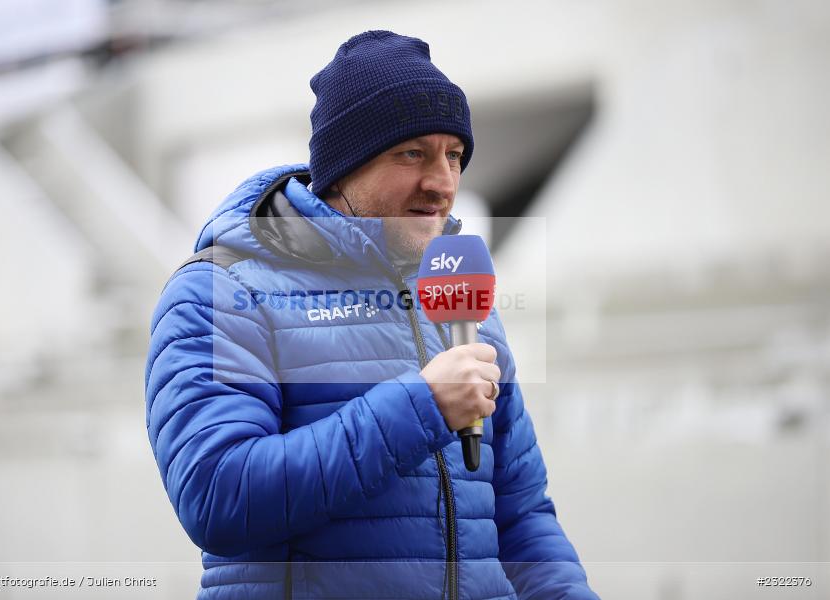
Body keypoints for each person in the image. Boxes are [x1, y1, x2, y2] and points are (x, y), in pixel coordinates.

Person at [145, 30, 599, 600]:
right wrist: (423, 406)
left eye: (454, 156)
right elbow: (217, 498)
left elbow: (521, 516)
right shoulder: (221, 291)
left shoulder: (459, 292)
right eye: (411, 153)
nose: (443, 183)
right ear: (342, 168)